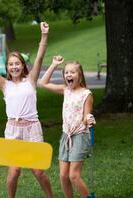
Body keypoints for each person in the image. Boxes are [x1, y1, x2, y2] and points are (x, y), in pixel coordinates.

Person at [0, 22, 53, 198]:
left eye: (17, 63)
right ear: (7, 68)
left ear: (23, 65)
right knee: (14, 172)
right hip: (13, 130)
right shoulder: (5, 85)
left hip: (32, 129)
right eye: (11, 64)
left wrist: (44, 35)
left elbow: (40, 57)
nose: (14, 67)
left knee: (38, 172)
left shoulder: (31, 80)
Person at [40, 55, 96, 198]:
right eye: (66, 73)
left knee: (74, 176)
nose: (69, 75)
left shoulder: (86, 94)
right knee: (63, 176)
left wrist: (89, 119)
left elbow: (85, 116)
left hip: (80, 136)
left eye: (72, 72)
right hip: (66, 136)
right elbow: (43, 83)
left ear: (80, 75)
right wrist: (53, 65)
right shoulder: (65, 90)